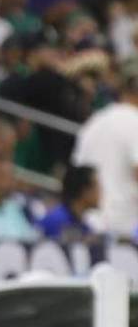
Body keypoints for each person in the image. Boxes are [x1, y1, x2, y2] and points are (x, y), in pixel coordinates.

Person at [72, 72, 138, 237]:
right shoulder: (135, 121)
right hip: (125, 227)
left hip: (90, 223)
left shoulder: (94, 121)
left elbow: (76, 173)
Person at [38, 165, 99, 240]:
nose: (100, 193)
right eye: (97, 187)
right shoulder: (55, 221)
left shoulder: (85, 228)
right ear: (84, 191)